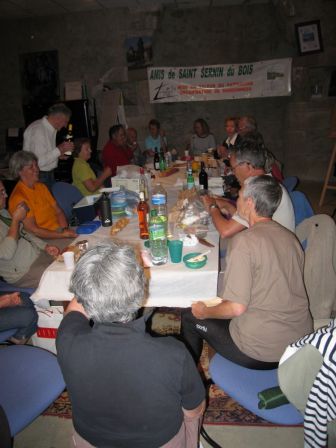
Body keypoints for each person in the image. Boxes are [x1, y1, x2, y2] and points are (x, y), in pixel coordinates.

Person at [56, 243, 205, 448]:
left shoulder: (67, 339)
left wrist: (93, 280)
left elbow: (74, 310)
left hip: (90, 442)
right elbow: (194, 409)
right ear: (140, 294)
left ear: (85, 295)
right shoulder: (172, 354)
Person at [181, 175, 313, 370]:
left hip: (263, 352)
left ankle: (186, 385)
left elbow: (236, 308)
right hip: (299, 343)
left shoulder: (244, 242)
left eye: (240, 196)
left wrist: (204, 311)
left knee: (190, 316)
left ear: (249, 203)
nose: (237, 200)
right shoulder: (289, 237)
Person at [202, 139, 295, 238]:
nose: (233, 173)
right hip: (268, 240)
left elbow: (225, 231)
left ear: (248, 166)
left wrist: (212, 206)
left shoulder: (259, 189)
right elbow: (247, 217)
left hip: (271, 249)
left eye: (233, 168)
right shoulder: (266, 181)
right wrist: (226, 205)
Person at [0, 180, 59, 288]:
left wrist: (45, 246)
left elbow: (24, 233)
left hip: (38, 256)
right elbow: (6, 253)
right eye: (1, 192)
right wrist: (15, 220)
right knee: (63, 281)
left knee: (72, 261)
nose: (6, 195)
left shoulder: (2, 212)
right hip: (24, 273)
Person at [8, 151, 77, 242]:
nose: (36, 169)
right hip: (43, 239)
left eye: (36, 165)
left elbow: (58, 211)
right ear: (20, 171)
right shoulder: (19, 198)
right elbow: (34, 231)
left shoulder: (41, 187)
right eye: (31, 167)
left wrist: (64, 230)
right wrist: (62, 235)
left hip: (58, 231)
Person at [23, 103, 74, 190]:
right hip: (39, 175)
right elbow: (37, 162)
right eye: (65, 122)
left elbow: (45, 155)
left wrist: (59, 155)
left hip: (46, 174)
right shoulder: (38, 130)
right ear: (58, 118)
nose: (65, 126)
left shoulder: (49, 128)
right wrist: (59, 149)